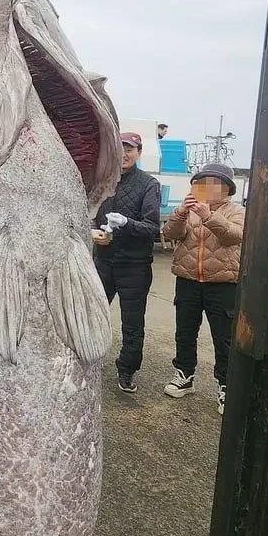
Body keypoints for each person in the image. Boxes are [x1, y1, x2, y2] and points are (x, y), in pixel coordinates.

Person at [161, 163, 245, 415]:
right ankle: (184, 375)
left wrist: (208, 216)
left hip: (223, 283)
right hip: (187, 280)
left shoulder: (237, 211)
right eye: (202, 183)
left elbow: (233, 236)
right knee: (185, 332)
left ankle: (226, 385)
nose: (207, 188)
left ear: (226, 188)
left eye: (214, 183)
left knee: (224, 337)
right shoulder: (190, 210)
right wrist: (180, 213)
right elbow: (170, 233)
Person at [92, 131, 161, 395]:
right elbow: (90, 215)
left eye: (130, 149)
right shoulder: (103, 180)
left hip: (135, 266)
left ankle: (127, 369)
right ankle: (90, 361)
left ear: (139, 152)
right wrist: (94, 232)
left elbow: (152, 227)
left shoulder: (148, 184)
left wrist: (126, 223)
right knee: (93, 314)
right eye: (120, 149)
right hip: (104, 262)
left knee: (132, 323)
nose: (124, 154)